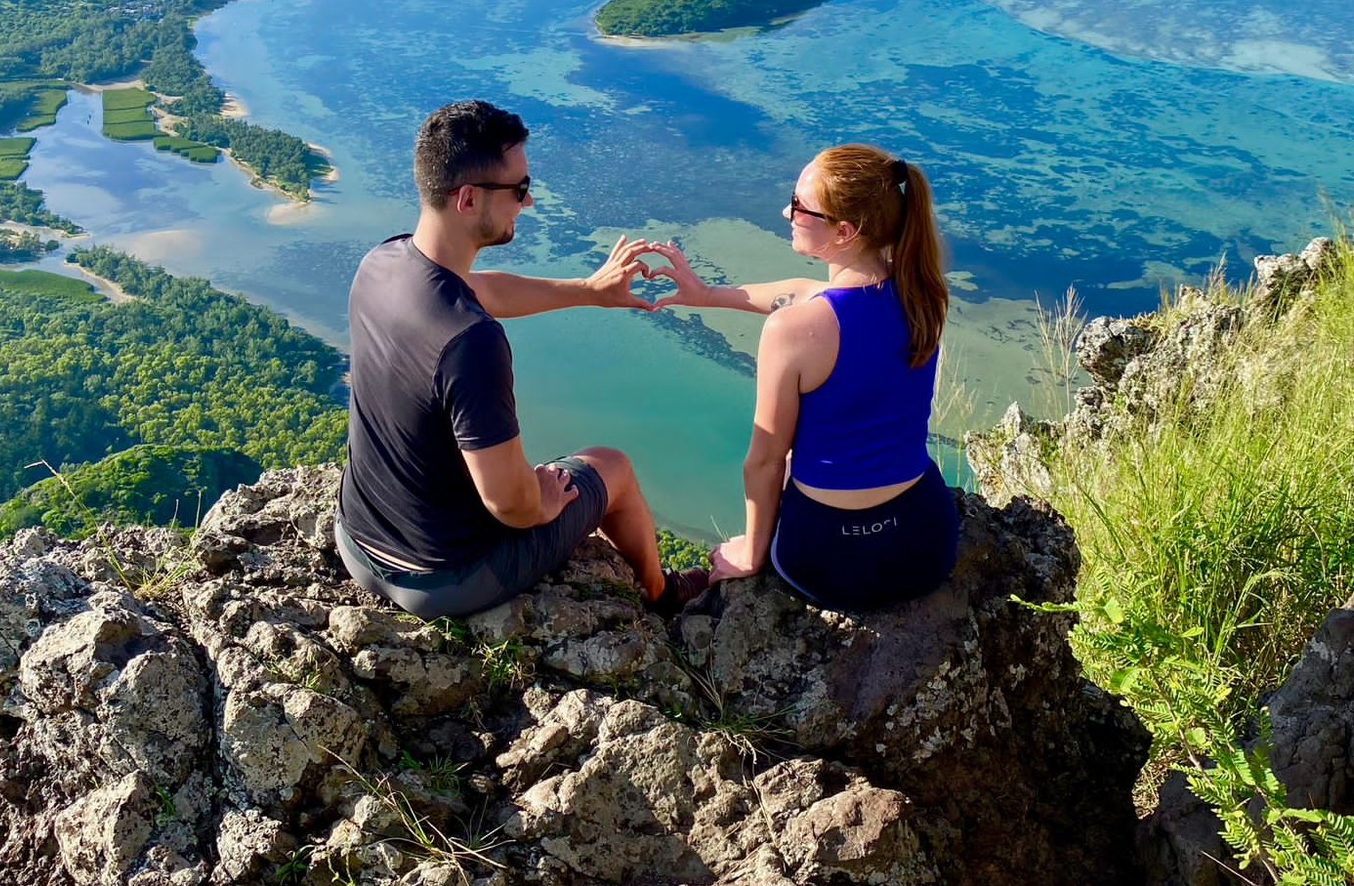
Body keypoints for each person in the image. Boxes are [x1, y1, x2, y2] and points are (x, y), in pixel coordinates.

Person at [335, 98, 711, 620]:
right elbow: (509, 505)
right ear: (468, 199)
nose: (527, 203)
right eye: (519, 190)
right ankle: (661, 594)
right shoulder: (472, 341)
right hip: (441, 582)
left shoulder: (383, 263)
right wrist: (544, 497)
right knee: (614, 467)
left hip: (357, 540)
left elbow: (482, 289)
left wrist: (589, 289)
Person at [648, 144, 959, 611]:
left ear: (845, 232)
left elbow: (765, 462)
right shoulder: (923, 293)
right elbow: (804, 292)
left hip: (826, 557)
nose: (785, 212)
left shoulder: (792, 332)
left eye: (799, 206)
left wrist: (750, 552)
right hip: (924, 543)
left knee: (789, 460)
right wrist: (707, 293)